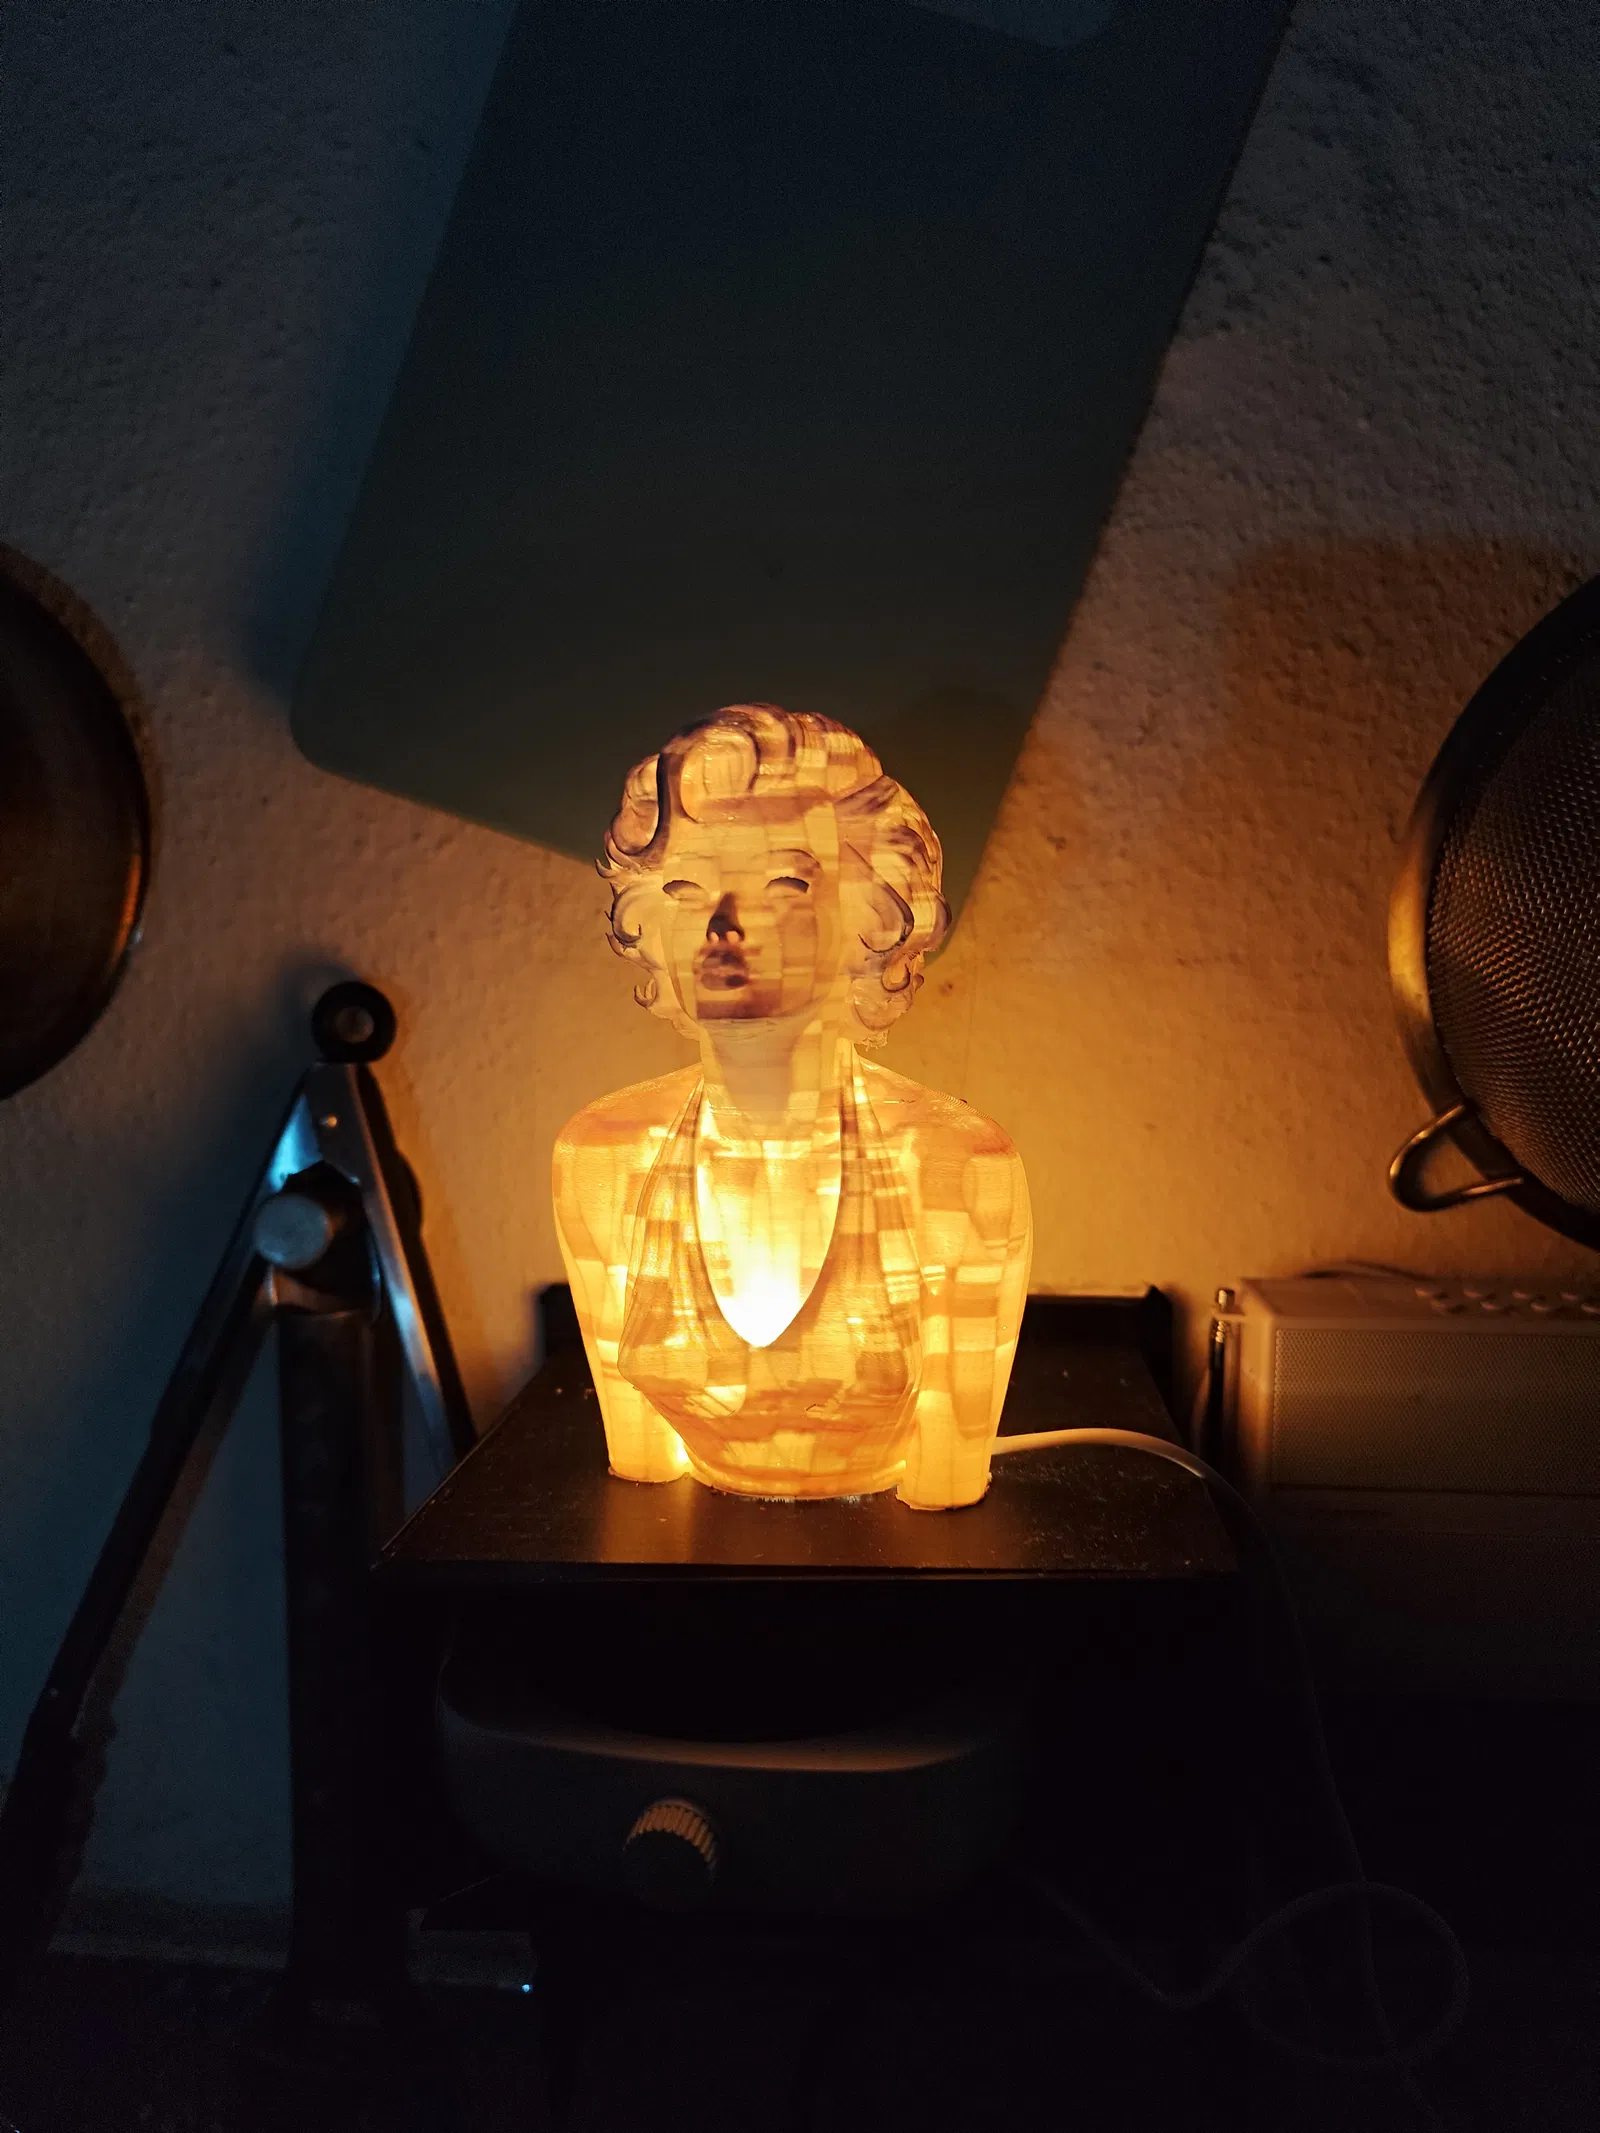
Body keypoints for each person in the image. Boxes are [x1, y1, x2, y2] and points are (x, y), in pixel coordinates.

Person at [553, 704, 1031, 1508]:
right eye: (685, 886)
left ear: (871, 913)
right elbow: (640, 1460)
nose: (722, 924)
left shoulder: (955, 1165)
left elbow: (949, 1475)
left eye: (782, 883)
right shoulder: (603, 1156)